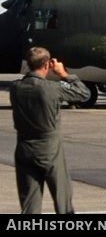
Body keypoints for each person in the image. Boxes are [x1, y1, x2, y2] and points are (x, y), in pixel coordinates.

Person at [9, 46, 91, 214]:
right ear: (47, 65)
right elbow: (83, 94)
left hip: (24, 147)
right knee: (62, 197)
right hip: (49, 148)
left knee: (30, 202)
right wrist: (64, 74)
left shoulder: (16, 88)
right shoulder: (51, 88)